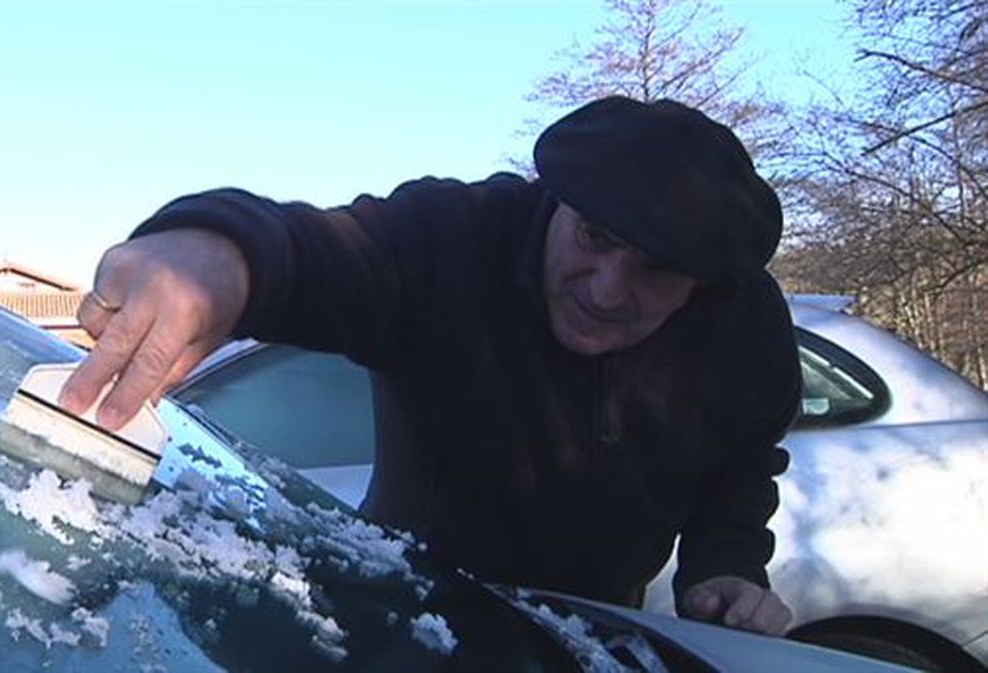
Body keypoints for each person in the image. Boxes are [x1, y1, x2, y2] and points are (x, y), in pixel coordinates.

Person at [59, 96, 801, 636]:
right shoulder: (457, 237)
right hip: (387, 621)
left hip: (587, 642)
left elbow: (739, 466)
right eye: (594, 236)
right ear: (559, 201)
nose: (608, 289)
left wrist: (725, 567)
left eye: (657, 271)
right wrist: (213, 256)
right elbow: (323, 254)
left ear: (703, 283)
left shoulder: (747, 329)